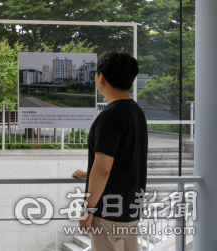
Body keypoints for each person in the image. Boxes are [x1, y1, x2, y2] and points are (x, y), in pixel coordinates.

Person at [71, 51, 146, 251]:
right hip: (130, 210)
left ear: (101, 77)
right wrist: (88, 174)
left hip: (108, 214)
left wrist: (88, 210)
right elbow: (125, 161)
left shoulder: (110, 116)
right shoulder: (136, 111)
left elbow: (103, 169)